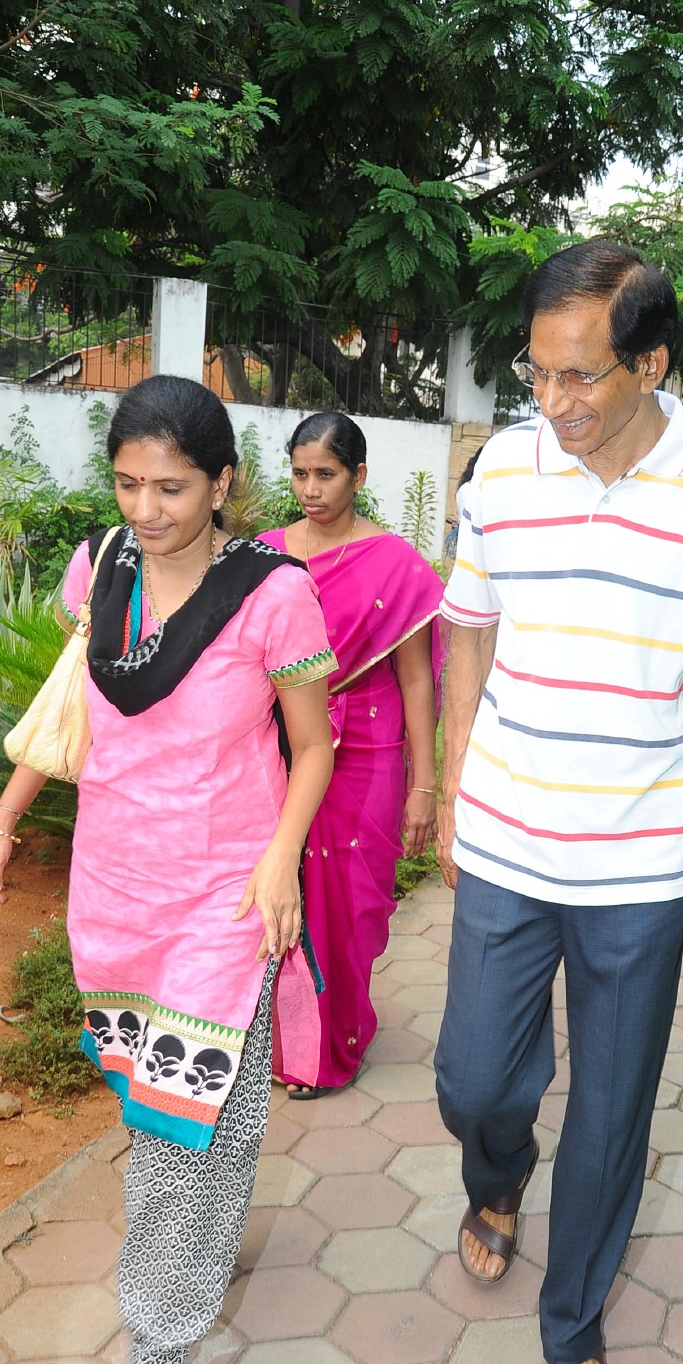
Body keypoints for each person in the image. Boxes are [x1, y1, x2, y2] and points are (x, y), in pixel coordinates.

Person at [434, 239, 683, 1364]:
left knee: (610, 1106)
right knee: (473, 1080)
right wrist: (449, 792)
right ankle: (496, 1179)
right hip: (503, 835)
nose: (556, 403)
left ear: (651, 361)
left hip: (639, 861)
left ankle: (572, 1317)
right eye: (537, 374)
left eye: (582, 376)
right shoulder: (500, 471)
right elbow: (467, 637)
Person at [0, 376, 335, 1364]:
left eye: (171, 487)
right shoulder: (103, 565)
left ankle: (154, 1356)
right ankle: (195, 1252)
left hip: (225, 896)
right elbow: (71, 699)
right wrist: (2, 819)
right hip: (114, 892)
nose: (146, 508)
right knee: (170, 1118)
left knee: (179, 1140)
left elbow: (313, 746)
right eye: (127, 483)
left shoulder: (274, 594)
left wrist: (280, 859)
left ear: (222, 482)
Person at [265, 413, 445, 1096]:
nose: (310, 490)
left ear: (358, 476)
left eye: (326, 475)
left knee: (348, 905)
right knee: (282, 891)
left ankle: (331, 1047)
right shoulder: (267, 552)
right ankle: (281, 1037)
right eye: (300, 474)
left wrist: (423, 783)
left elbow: (417, 677)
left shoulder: (395, 563)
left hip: (367, 749)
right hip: (282, 744)